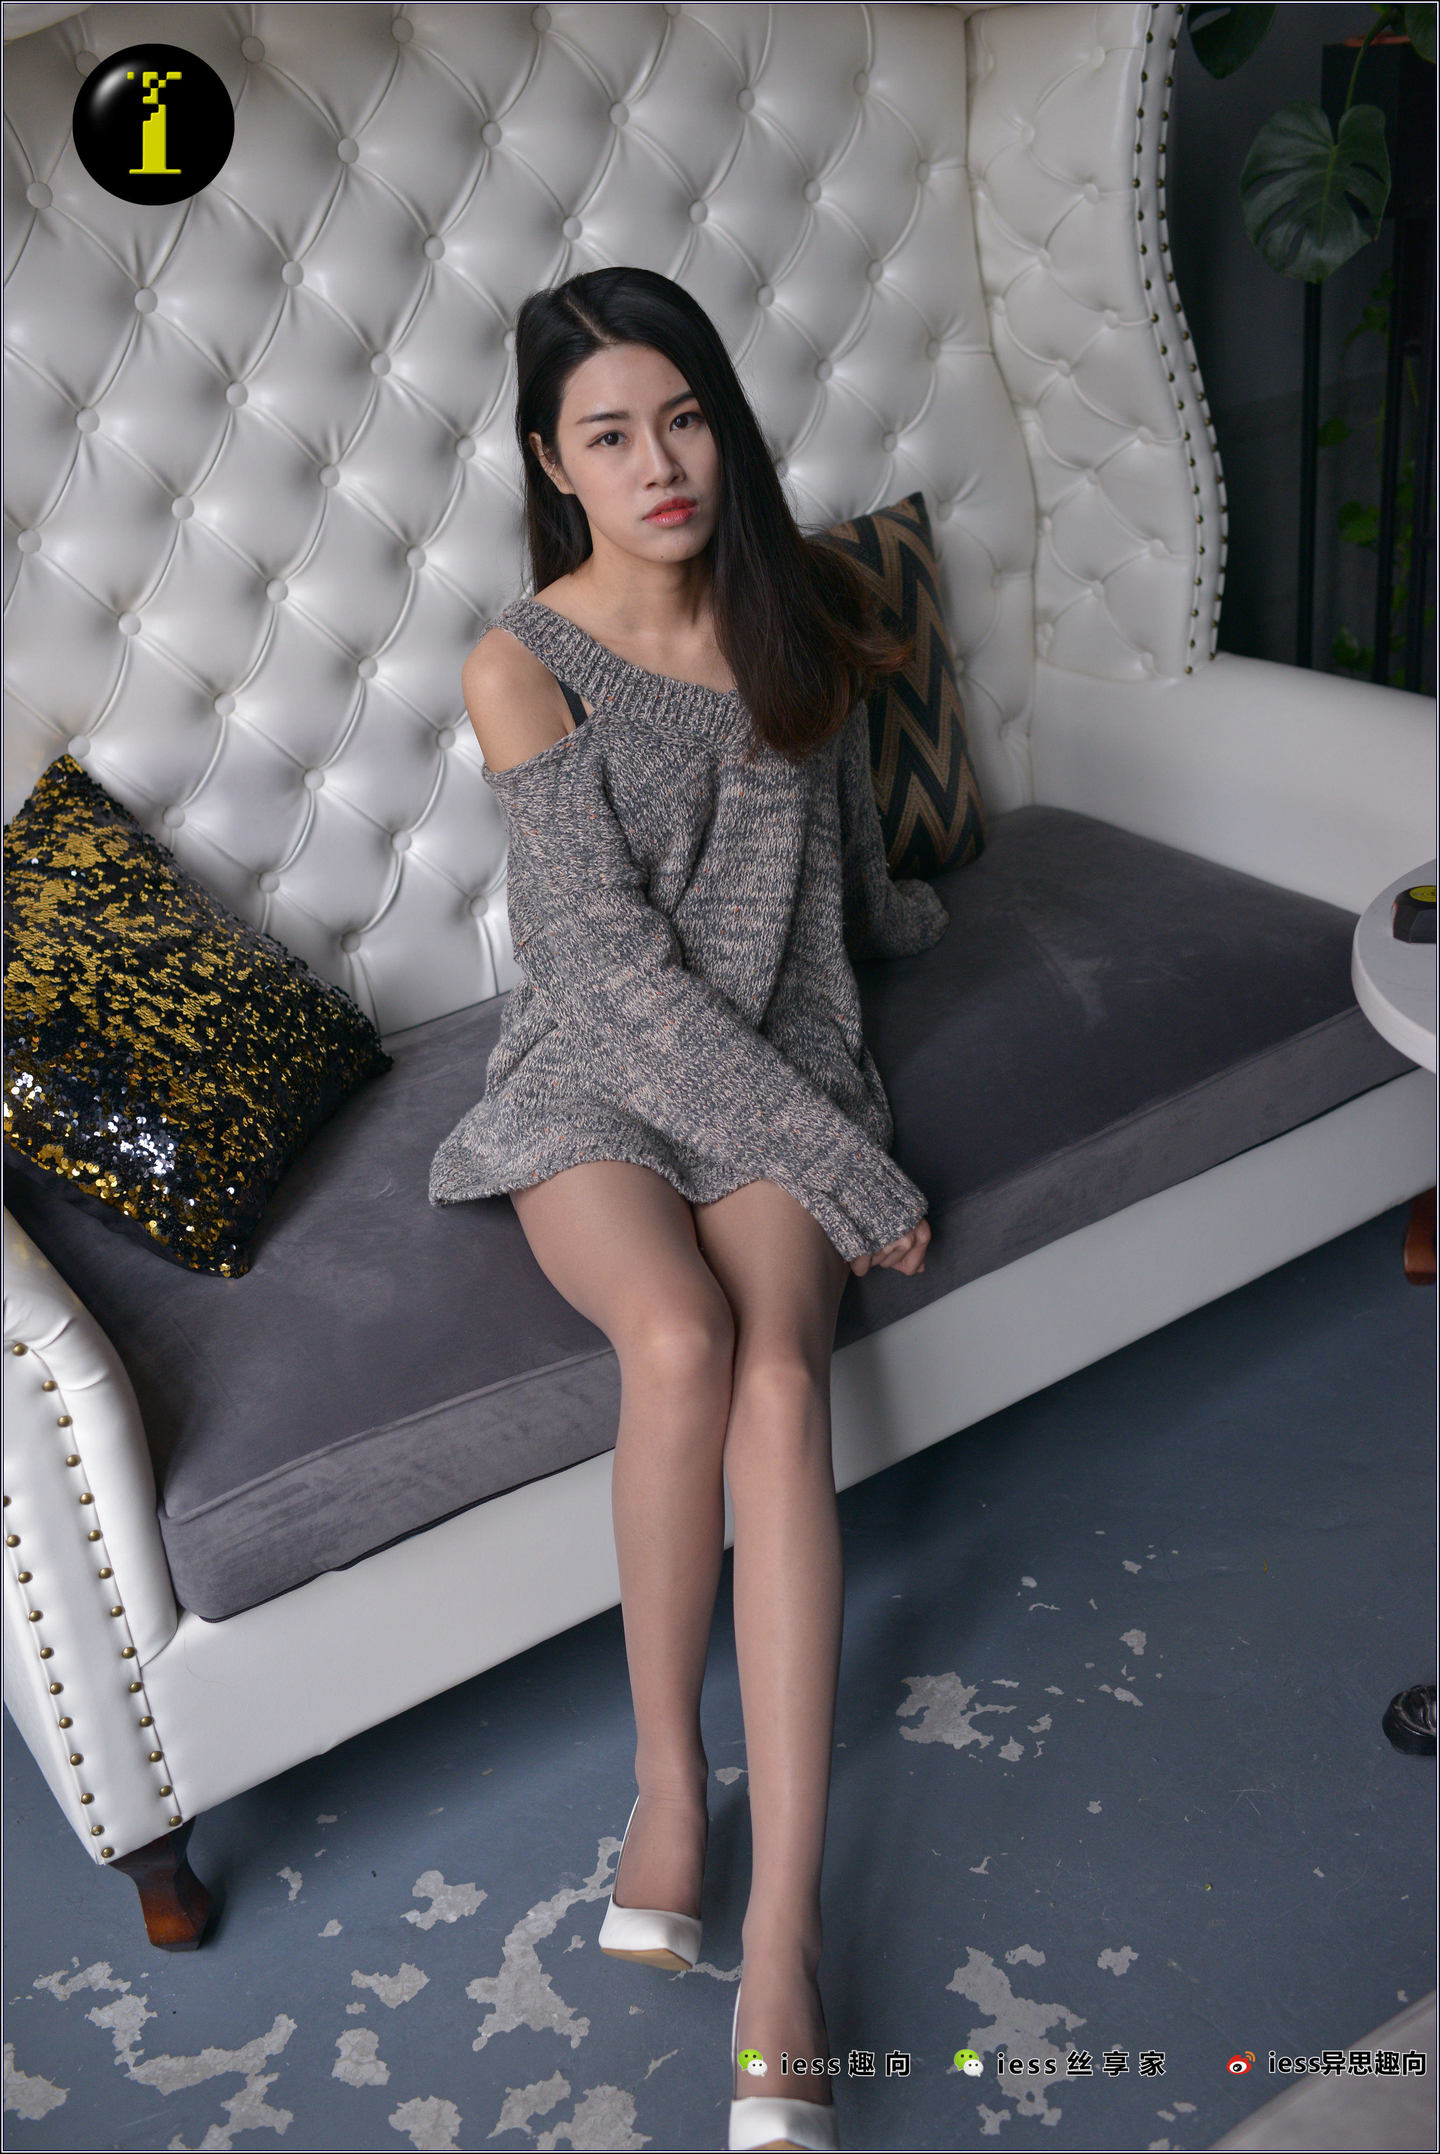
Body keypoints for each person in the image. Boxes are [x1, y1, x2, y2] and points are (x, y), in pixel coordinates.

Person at [429, 265, 949, 2153]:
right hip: (597, 1066)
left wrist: (895, 943)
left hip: (783, 1048)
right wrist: (850, 1166)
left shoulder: (785, 601)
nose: (659, 464)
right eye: (610, 435)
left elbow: (839, 862)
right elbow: (618, 984)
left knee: (785, 1383)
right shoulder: (521, 664)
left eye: (684, 418)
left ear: (721, 424)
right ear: (550, 465)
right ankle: (669, 1776)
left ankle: (785, 1932)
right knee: (678, 1339)